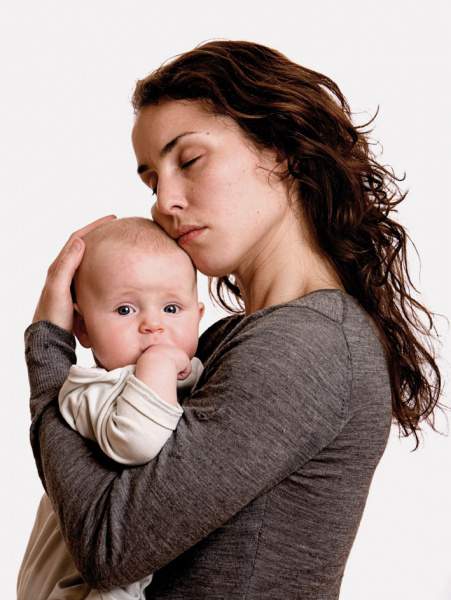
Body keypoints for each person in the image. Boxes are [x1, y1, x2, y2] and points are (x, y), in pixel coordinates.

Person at [25, 41, 443, 599]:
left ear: (283, 152)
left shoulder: (306, 345)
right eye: (152, 181)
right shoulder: (230, 336)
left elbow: (107, 547)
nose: (164, 202)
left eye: (189, 161)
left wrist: (49, 355)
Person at [18, 217, 204, 600]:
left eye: (172, 308)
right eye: (124, 310)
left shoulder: (198, 373)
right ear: (83, 328)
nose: (153, 325)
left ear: (199, 316)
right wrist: (159, 364)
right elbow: (137, 442)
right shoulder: (88, 390)